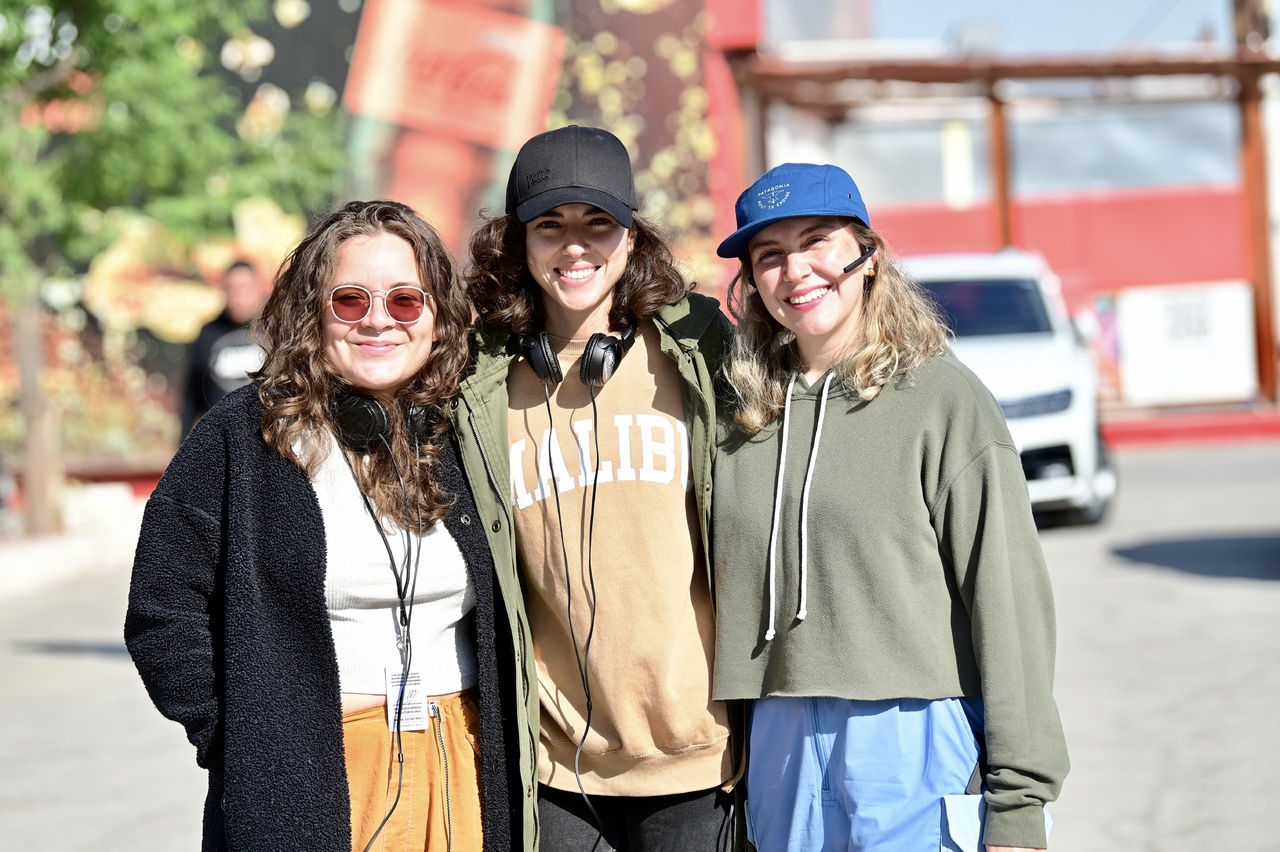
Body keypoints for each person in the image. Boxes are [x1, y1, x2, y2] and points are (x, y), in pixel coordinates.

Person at [125, 201, 531, 851]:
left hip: (463, 761)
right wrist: (242, 740)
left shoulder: (468, 431)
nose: (378, 319)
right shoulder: (244, 435)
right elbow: (162, 606)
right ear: (313, 311)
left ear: (438, 318)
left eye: (405, 300)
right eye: (350, 300)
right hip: (315, 772)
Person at [711, 163, 1069, 852]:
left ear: (868, 256)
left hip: (914, 732)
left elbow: (1009, 602)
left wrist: (1021, 802)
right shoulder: (742, 413)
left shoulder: (944, 400)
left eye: (817, 241)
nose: (795, 271)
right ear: (752, 281)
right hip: (778, 738)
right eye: (770, 255)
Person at [457, 124, 738, 850]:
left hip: (697, 758)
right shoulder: (477, 379)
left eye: (598, 223)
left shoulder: (699, 350)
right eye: (550, 225)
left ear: (632, 237)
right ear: (517, 242)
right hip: (554, 769)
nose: (575, 247)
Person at [181, 259, 270, 436]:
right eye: (232, 289)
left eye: (244, 288)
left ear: (258, 289)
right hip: (219, 439)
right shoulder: (209, 333)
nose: (238, 297)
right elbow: (192, 395)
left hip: (265, 436)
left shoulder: (274, 331)